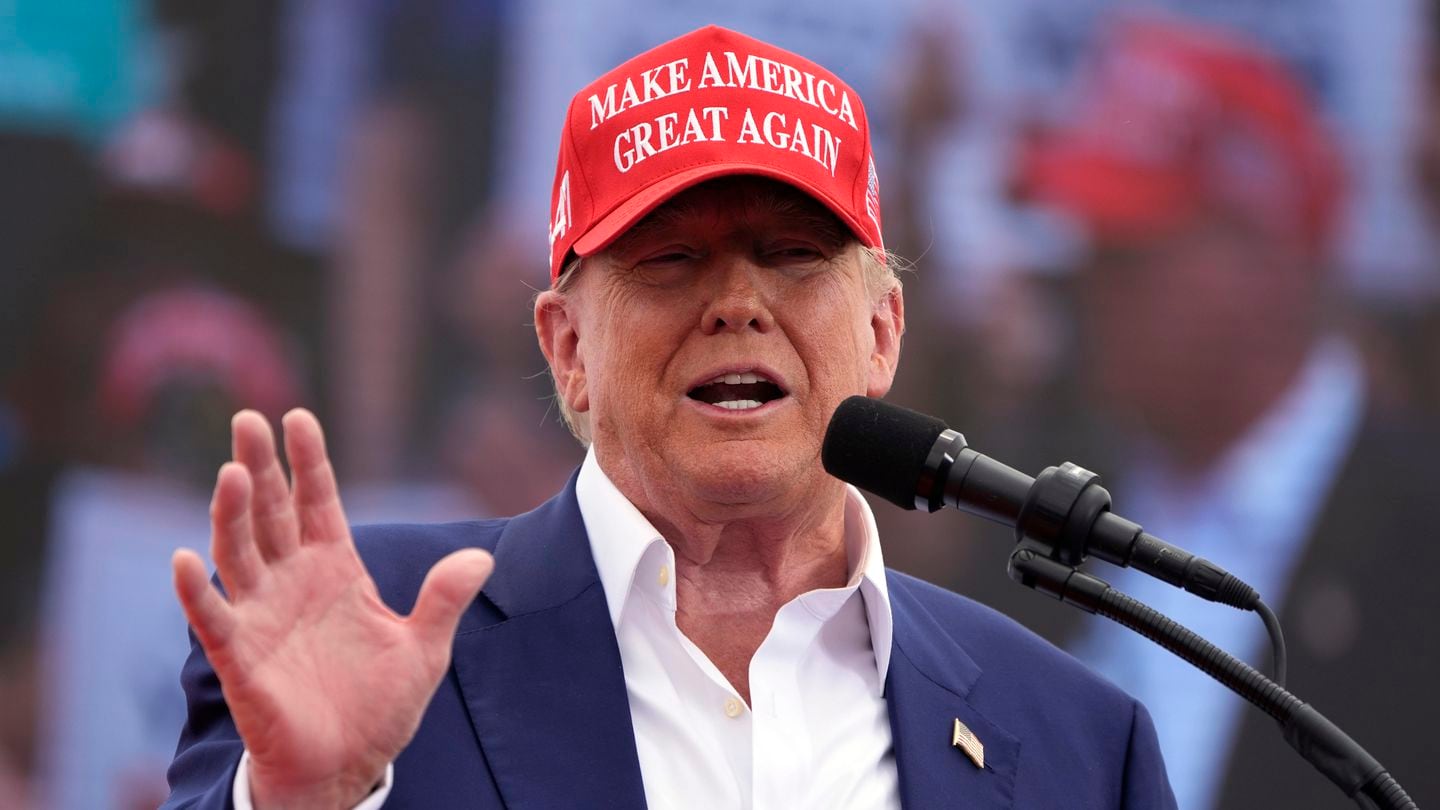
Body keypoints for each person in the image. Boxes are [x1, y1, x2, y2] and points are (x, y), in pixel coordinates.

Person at [162, 26, 1176, 809]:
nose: (737, 302)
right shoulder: (373, 630)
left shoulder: (1077, 739)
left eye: (791, 255)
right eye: (669, 259)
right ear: (567, 351)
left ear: (881, 334)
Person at [1019, 16, 1440, 809]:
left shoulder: (1421, 535)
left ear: (1265, 254)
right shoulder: (1037, 493)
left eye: (1128, 253)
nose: (1089, 284)